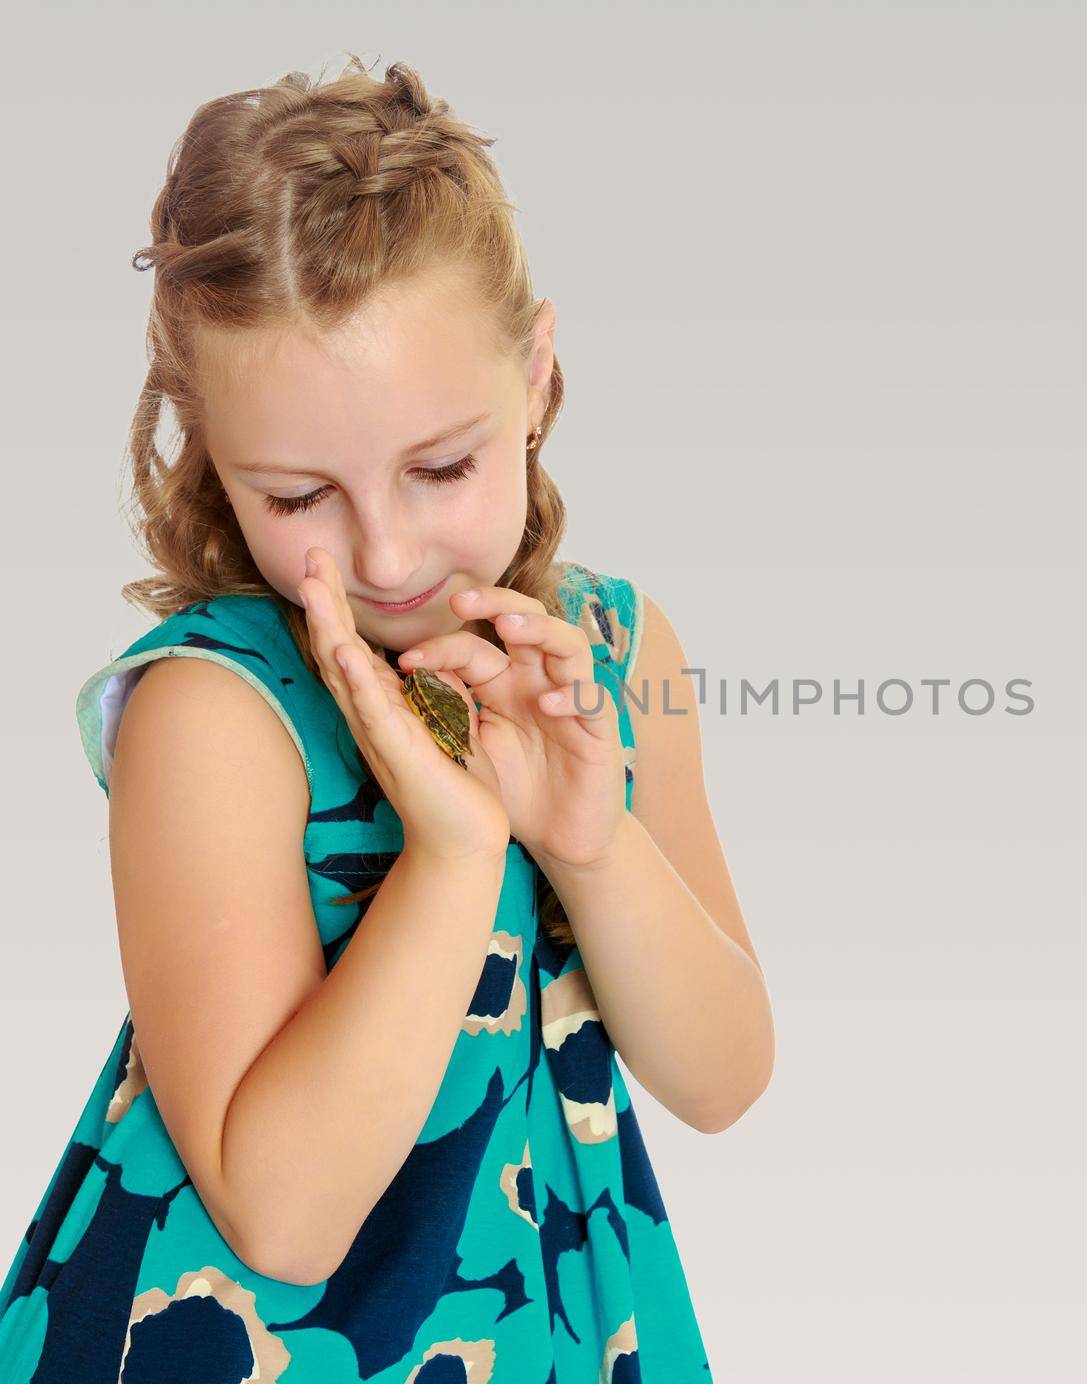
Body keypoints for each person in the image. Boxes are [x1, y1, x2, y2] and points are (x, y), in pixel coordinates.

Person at [0, 53, 771, 1383]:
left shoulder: (614, 651)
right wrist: (458, 854)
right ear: (211, 456)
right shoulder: (215, 712)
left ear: (535, 376)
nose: (388, 551)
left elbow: (722, 1080)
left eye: (443, 465)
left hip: (546, 1319)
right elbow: (282, 1218)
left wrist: (590, 841)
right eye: (300, 495)